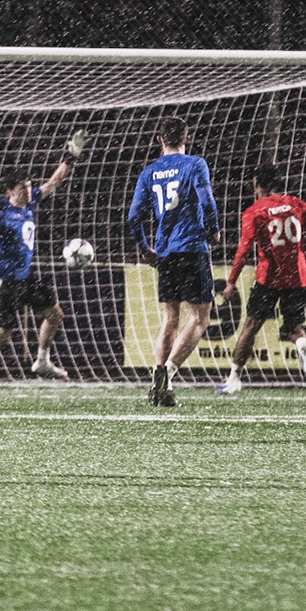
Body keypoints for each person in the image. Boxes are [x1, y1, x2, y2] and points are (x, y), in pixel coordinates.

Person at [0, 131, 89, 387]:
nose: (28, 190)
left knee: (55, 315)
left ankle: (42, 361)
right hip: (7, 281)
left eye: (29, 185)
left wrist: (71, 156)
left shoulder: (30, 204)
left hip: (25, 277)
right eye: (22, 187)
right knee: (5, 332)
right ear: (10, 190)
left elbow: (54, 182)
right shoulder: (0, 212)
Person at [126, 116, 220, 407]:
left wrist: (145, 249)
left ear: (160, 140)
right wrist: (214, 229)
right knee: (200, 319)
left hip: (165, 252)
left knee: (170, 319)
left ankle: (159, 386)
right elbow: (207, 201)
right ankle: (166, 374)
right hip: (191, 248)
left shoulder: (149, 172)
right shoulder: (195, 164)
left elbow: (133, 217)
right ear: (187, 137)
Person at [215, 164, 306, 395]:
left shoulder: (255, 211)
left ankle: (234, 379)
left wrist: (231, 281)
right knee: (293, 327)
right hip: (297, 277)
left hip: (269, 278)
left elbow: (244, 251)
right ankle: (303, 346)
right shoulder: (295, 203)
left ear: (256, 183)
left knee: (251, 327)